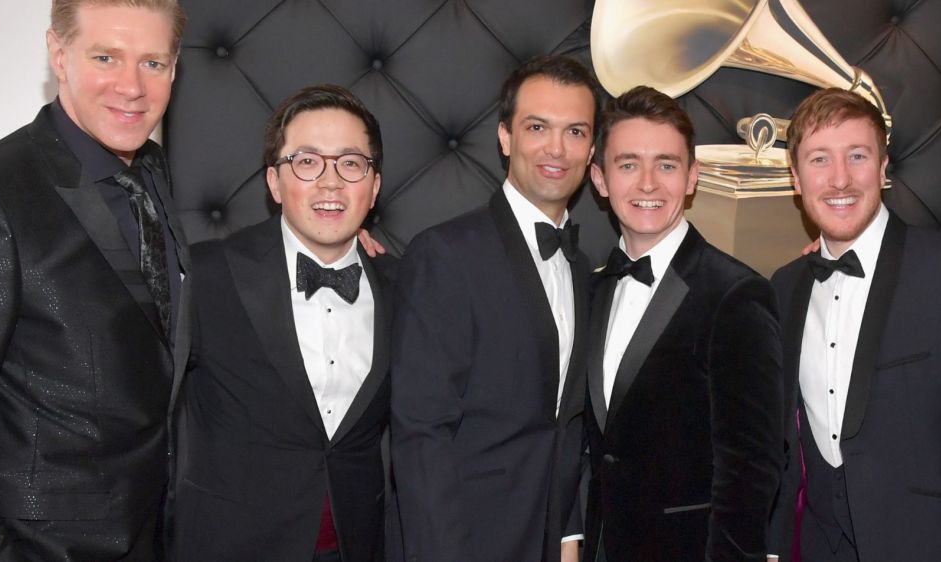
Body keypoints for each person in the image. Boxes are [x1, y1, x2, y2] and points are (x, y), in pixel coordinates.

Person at [767, 88, 941, 561]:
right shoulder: (784, 288)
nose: (840, 179)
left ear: (883, 169)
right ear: (796, 179)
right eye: (819, 159)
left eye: (857, 156)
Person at [0, 0, 188, 559]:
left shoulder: (151, 172)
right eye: (106, 57)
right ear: (58, 54)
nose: (131, 87)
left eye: (153, 63)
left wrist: (341, 247)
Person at [173, 84, 395, 562]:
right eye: (307, 161)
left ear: (373, 186)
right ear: (275, 182)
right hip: (228, 546)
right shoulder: (206, 273)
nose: (331, 182)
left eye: (351, 163)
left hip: (360, 545)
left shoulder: (407, 285)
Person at [390, 55, 597, 562]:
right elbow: (420, 437)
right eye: (537, 127)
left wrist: (568, 536)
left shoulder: (584, 267)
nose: (556, 148)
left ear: (592, 149)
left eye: (575, 131)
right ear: (505, 137)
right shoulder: (444, 254)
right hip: (464, 542)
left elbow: (566, 429)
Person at [581, 85, 782, 561]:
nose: (648, 184)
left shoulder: (736, 294)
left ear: (692, 177)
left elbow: (752, 472)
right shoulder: (590, 291)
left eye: (666, 165)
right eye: (628, 164)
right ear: (600, 179)